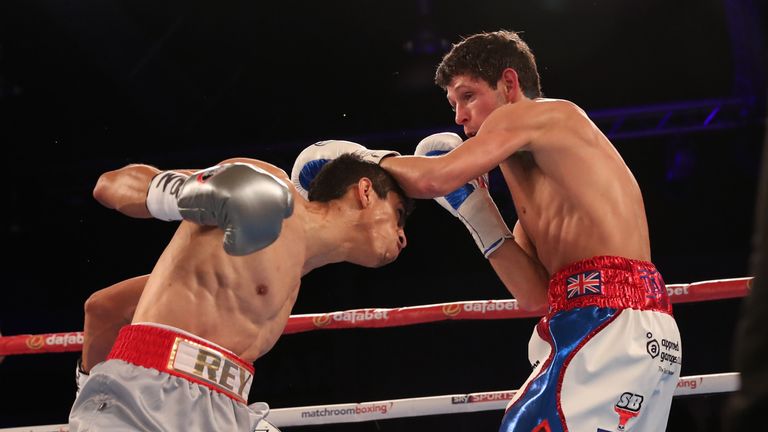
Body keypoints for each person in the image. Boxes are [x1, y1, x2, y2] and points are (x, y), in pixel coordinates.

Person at [378, 30, 682, 431]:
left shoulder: (541, 113)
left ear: (509, 84)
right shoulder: (538, 178)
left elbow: (435, 178)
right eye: (452, 104)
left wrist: (363, 163)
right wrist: (477, 211)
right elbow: (534, 294)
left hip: (607, 322)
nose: (458, 117)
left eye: (468, 96)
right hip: (614, 324)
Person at [70, 144, 413, 431]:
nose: (403, 236)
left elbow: (106, 305)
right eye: (398, 213)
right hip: (147, 394)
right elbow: (111, 184)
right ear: (366, 192)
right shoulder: (269, 192)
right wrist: (181, 194)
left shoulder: (290, 270)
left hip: (223, 407)